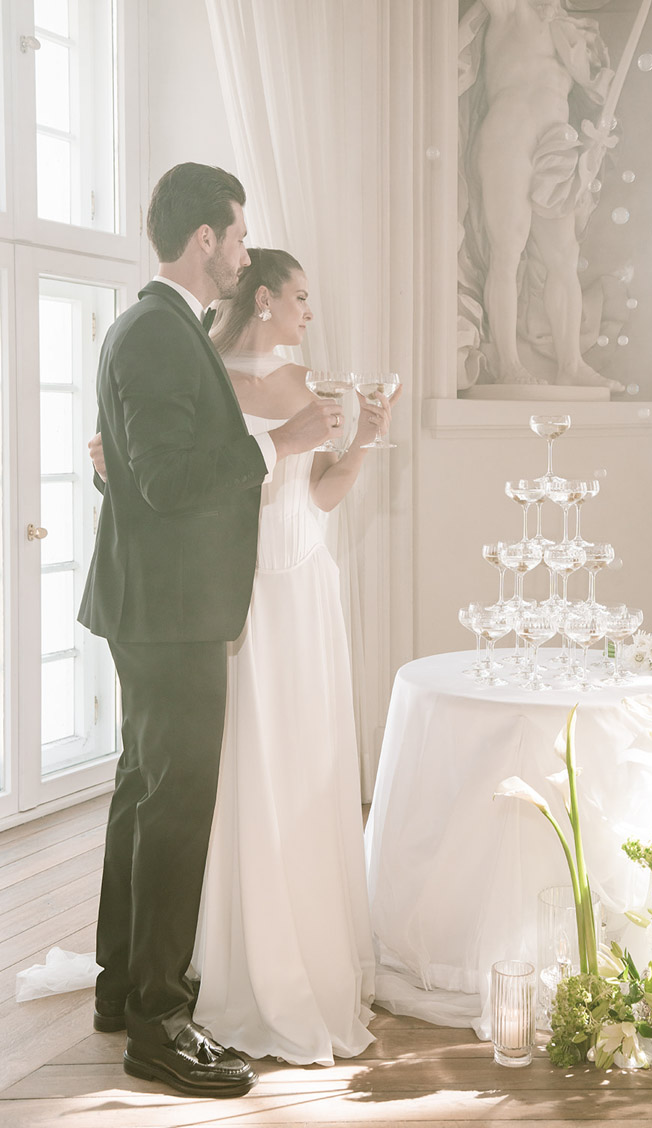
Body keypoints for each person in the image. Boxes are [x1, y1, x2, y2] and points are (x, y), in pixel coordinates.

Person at [79, 164, 341, 1098]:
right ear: (206, 239)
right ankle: (159, 1026)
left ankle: (123, 989)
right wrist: (281, 443)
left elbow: (136, 464)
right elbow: (166, 480)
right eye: (237, 235)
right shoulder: (158, 331)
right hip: (173, 612)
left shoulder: (154, 327)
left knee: (144, 793)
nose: (242, 251)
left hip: (158, 605)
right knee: (174, 807)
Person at [189, 248, 397, 1064]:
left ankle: (313, 948)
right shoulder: (208, 379)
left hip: (307, 587)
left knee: (311, 765)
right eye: (301, 297)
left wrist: (365, 441)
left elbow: (316, 496)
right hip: (246, 597)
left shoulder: (310, 380)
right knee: (250, 767)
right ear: (265, 299)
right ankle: (248, 959)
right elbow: (210, 487)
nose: (311, 311)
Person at [465, 0, 623, 390]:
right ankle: (508, 365)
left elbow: (594, 97)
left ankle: (571, 364)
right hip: (510, 133)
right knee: (508, 249)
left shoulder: (572, 30)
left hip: (559, 141)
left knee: (563, 258)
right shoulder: (514, 1)